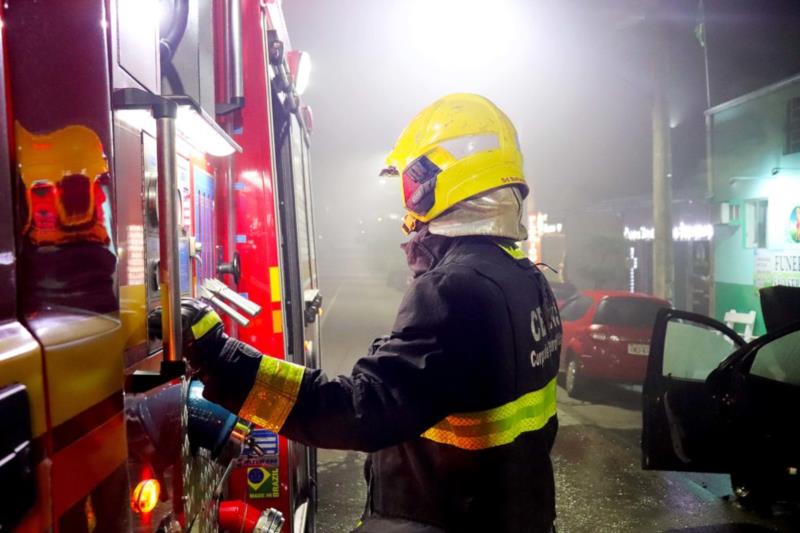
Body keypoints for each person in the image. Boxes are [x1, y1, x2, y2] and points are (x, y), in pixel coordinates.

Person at [151, 93, 562, 532]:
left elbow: (356, 412)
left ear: (436, 185)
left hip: (440, 518)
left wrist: (219, 357)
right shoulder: (526, 281)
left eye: (410, 184)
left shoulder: (454, 290)